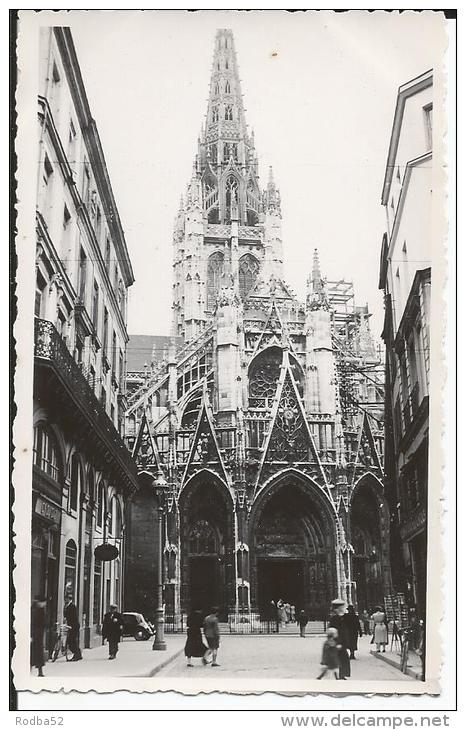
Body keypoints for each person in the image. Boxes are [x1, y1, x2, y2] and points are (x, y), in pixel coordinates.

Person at [328, 598, 351, 679]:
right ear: (338, 608)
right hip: (338, 641)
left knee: (343, 658)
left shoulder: (342, 617)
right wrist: (335, 642)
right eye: (343, 607)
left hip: (342, 641)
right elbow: (332, 631)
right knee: (341, 658)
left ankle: (341, 674)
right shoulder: (334, 618)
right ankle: (340, 674)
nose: (344, 608)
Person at [31, 596, 47, 677]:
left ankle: (39, 671)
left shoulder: (37, 609)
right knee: (36, 653)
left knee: (35, 653)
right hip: (36, 635)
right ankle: (39, 672)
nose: (45, 604)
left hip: (38, 635)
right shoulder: (36, 611)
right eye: (44, 602)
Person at [64, 592, 82, 661]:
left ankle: (77, 655)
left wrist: (71, 626)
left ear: (69, 599)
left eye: (66, 599)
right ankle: (78, 655)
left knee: (71, 641)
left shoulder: (72, 606)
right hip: (70, 626)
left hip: (74, 626)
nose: (65, 600)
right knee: (72, 641)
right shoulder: (67, 606)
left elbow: (74, 617)